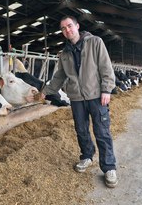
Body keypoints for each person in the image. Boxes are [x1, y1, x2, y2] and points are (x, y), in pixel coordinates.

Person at [38, 15, 118, 188]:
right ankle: (87, 156)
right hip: (76, 99)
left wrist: (106, 89)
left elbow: (106, 67)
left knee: (102, 131)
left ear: (77, 26)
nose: (67, 30)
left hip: (96, 96)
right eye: (63, 28)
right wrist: (45, 91)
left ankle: (109, 167)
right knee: (81, 130)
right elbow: (59, 76)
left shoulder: (95, 42)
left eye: (69, 26)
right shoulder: (64, 53)